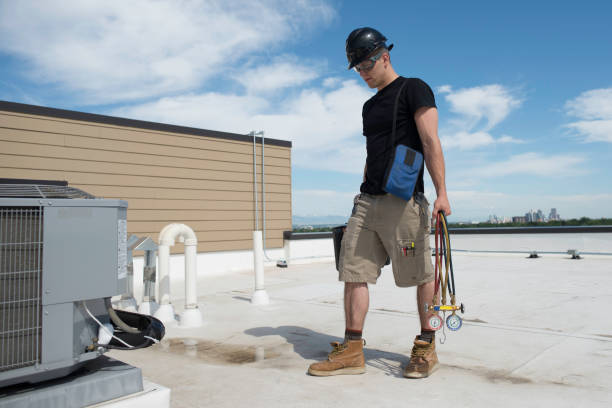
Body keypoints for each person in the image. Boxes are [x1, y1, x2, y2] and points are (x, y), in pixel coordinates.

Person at [308, 27, 451, 379]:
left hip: (404, 201)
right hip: (367, 201)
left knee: (422, 275)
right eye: (357, 69)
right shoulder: (369, 106)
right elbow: (372, 153)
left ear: (384, 55)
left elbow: (430, 141)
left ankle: (426, 345)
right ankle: (352, 349)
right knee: (353, 272)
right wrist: (361, 191)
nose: (363, 73)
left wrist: (442, 192)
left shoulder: (414, 88)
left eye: (366, 65)